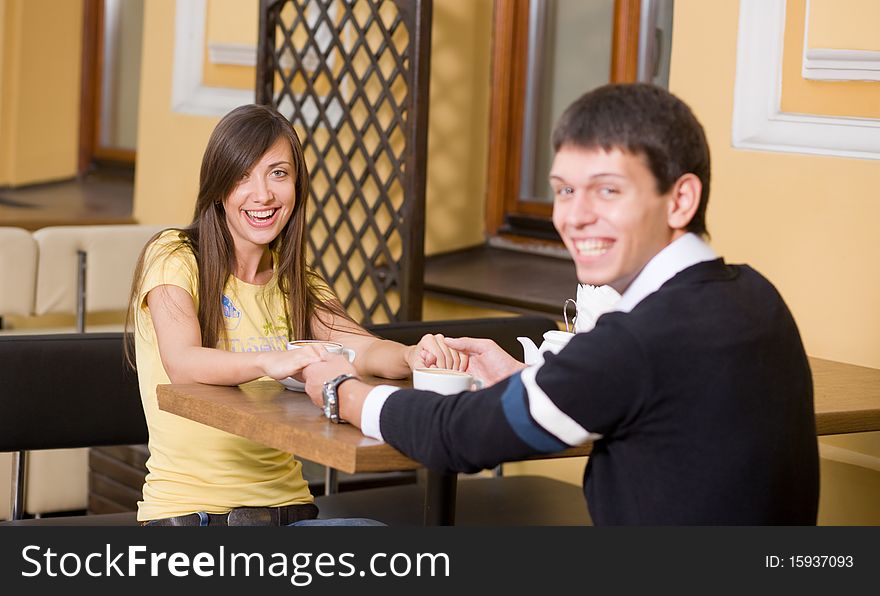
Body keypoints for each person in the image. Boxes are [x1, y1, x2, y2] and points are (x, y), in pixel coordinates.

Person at [301, 83, 820, 525]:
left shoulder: (637, 340)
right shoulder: (758, 296)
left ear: (680, 199)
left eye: (607, 191)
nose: (574, 216)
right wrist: (521, 380)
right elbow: (629, 398)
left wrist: (344, 393)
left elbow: (457, 437)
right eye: (565, 190)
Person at [125, 103, 464, 526]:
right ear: (217, 188)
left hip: (293, 516)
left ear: (297, 186)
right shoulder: (175, 256)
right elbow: (183, 363)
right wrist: (269, 359)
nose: (263, 194)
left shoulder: (297, 283)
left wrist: (412, 356)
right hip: (194, 517)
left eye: (278, 173)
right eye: (242, 175)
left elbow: (362, 347)